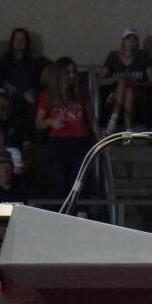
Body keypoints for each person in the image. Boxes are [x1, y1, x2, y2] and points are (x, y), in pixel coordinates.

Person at [36, 58, 97, 199]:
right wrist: (50, 121)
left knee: (81, 181)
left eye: (74, 72)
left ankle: (81, 215)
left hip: (81, 140)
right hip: (59, 142)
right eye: (68, 72)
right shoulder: (47, 95)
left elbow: (92, 119)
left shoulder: (81, 93)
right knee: (60, 181)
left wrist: (101, 139)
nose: (72, 75)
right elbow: (38, 124)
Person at [98, 28, 152, 133]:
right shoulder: (113, 56)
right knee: (126, 87)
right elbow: (99, 81)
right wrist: (118, 79)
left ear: (137, 42)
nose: (131, 42)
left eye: (134, 39)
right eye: (128, 39)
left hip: (138, 95)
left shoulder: (143, 56)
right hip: (116, 95)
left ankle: (114, 117)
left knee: (130, 89)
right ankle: (128, 128)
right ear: (123, 40)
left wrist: (136, 83)